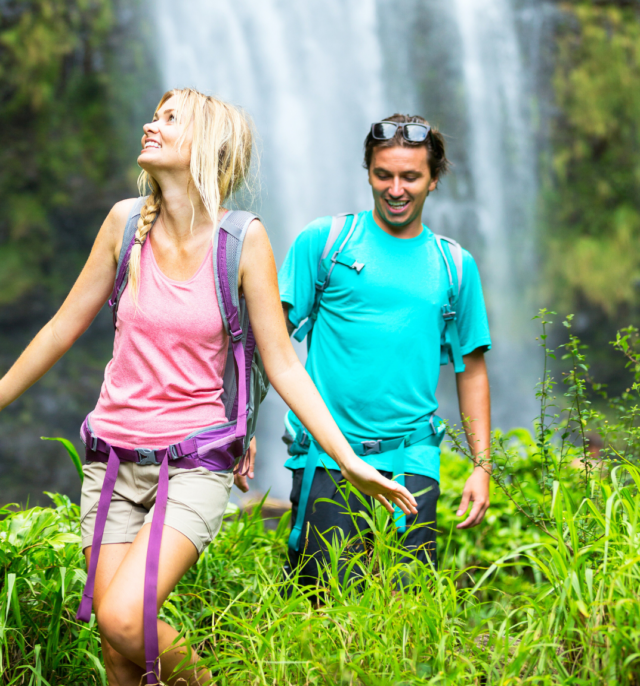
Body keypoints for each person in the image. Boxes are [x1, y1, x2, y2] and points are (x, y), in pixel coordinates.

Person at [0, 89, 417, 686]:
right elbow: (61, 328)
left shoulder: (243, 241)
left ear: (206, 147)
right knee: (118, 650)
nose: (150, 124)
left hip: (192, 465)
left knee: (123, 617)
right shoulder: (124, 224)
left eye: (170, 120)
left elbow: (284, 364)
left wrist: (346, 459)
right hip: (111, 462)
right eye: (153, 114)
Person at [279, 114, 492, 586]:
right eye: (383, 175)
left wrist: (481, 465)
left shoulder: (454, 265)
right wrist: (241, 428)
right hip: (329, 456)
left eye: (411, 177)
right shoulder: (326, 243)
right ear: (368, 172)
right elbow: (269, 345)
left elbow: (471, 369)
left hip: (411, 457)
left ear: (434, 179)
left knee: (408, 611)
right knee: (324, 607)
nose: (396, 189)